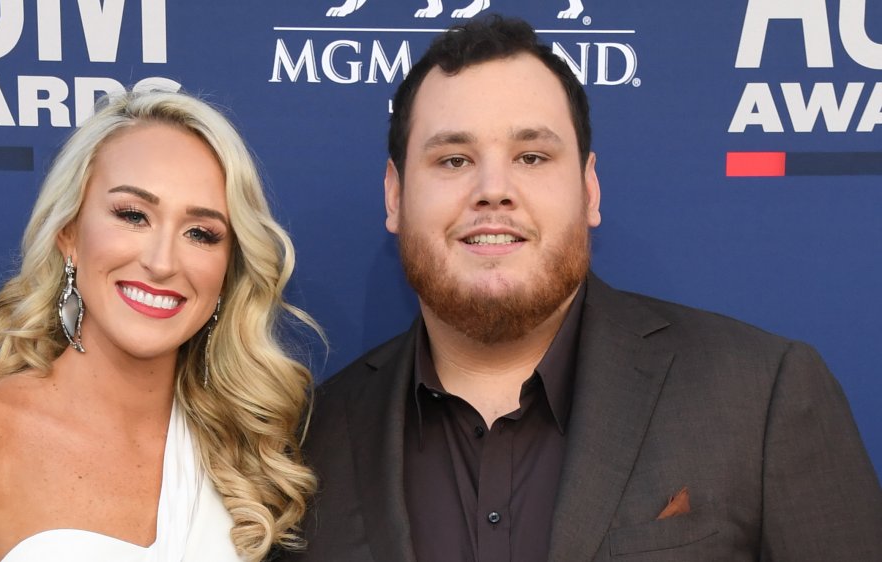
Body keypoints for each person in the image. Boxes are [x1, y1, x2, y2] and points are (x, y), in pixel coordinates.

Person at [285, 16, 882, 562]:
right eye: (454, 161)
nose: (494, 189)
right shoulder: (306, 443)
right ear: (394, 196)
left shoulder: (760, 395)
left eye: (532, 156)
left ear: (590, 189)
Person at [0, 90, 319, 561]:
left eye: (201, 233)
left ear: (227, 270)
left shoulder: (242, 447)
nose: (162, 262)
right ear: (69, 235)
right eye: (133, 216)